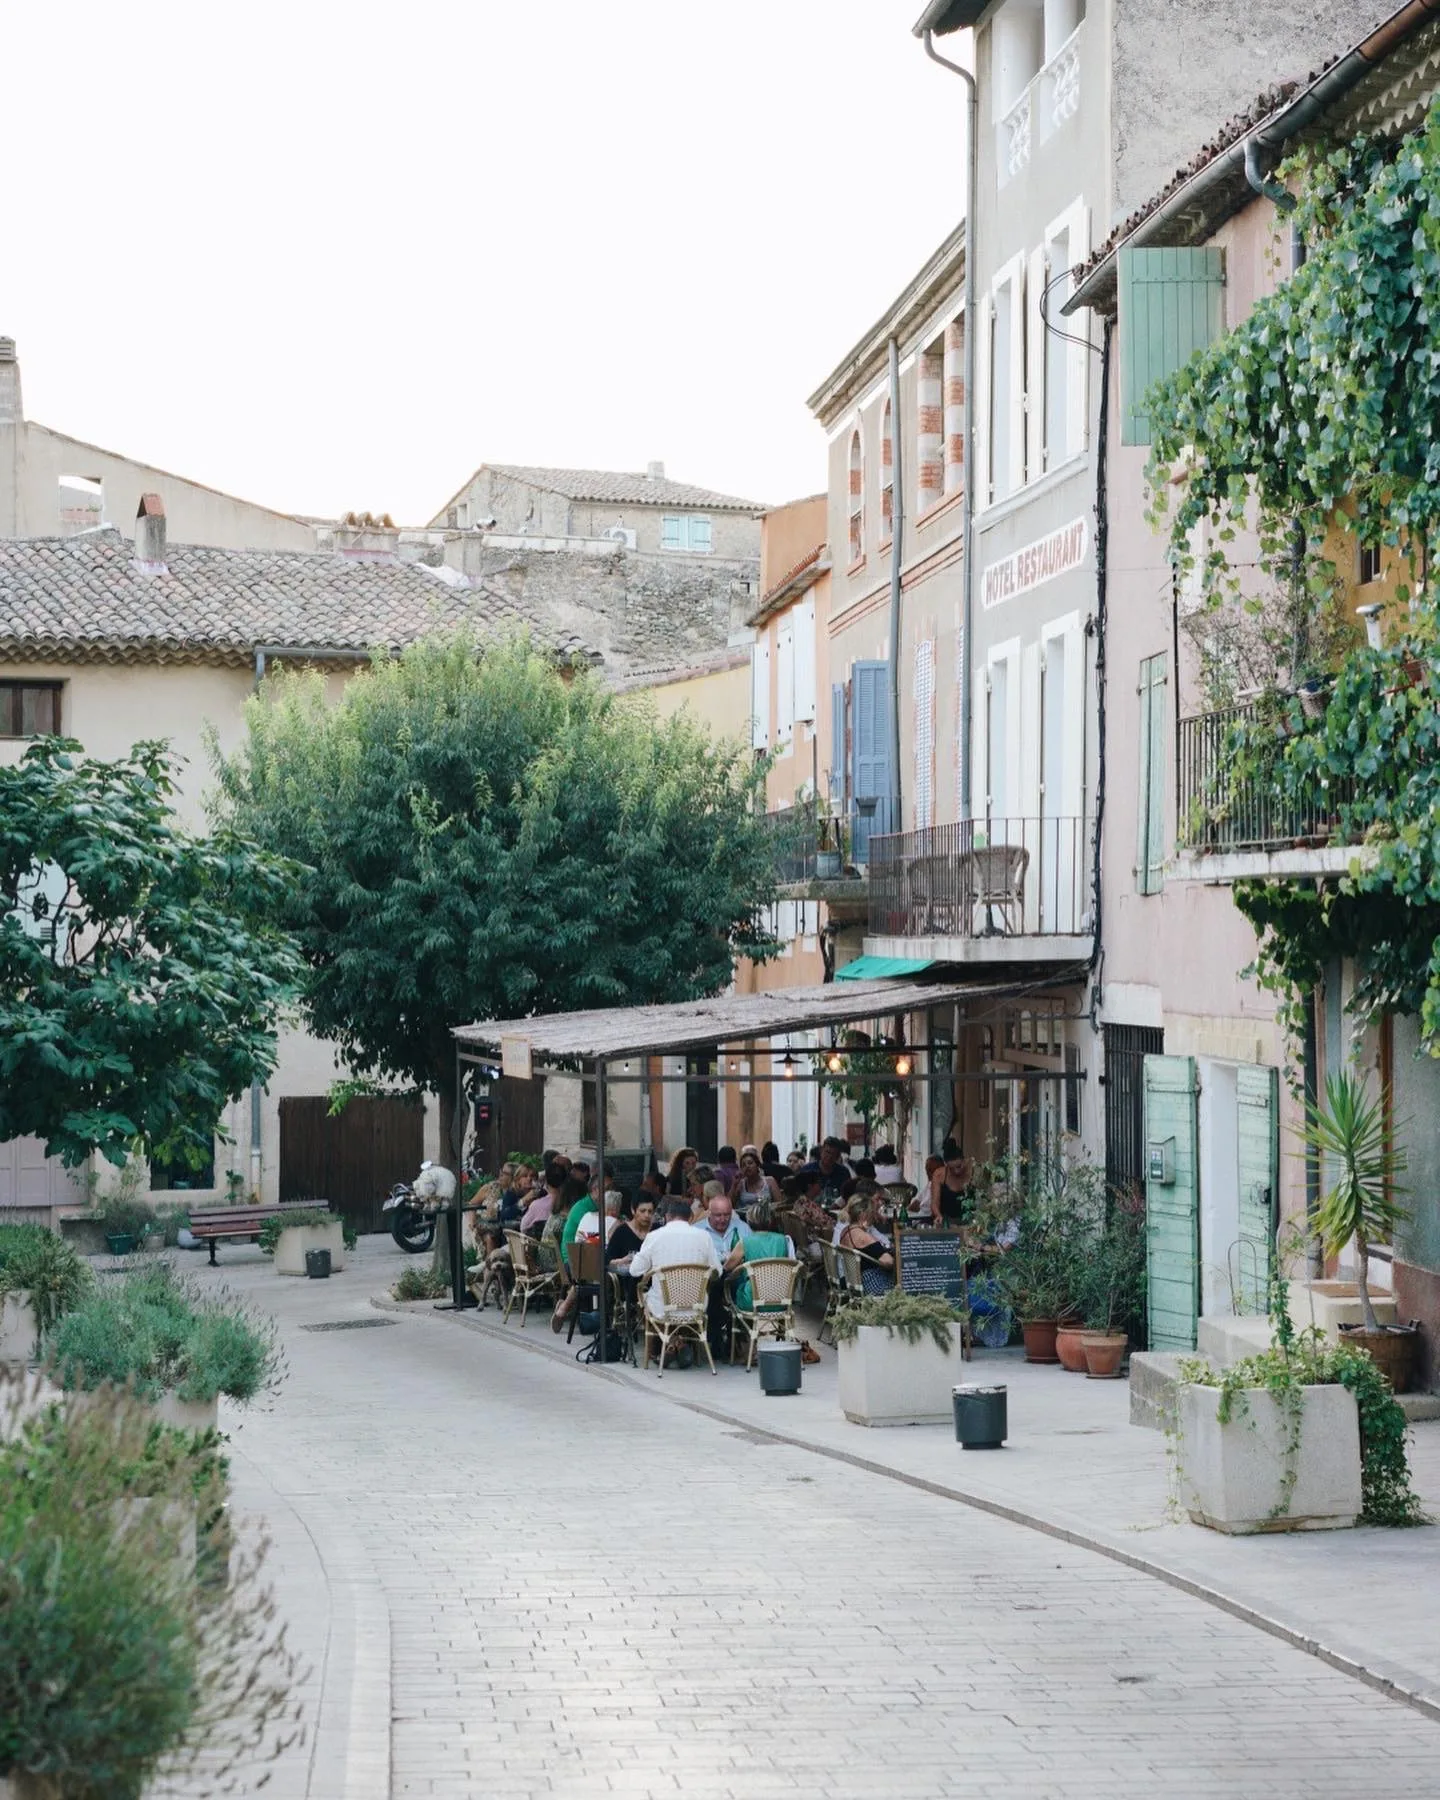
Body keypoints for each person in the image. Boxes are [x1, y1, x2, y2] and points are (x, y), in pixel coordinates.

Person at [627, 1197, 722, 1322]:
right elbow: (717, 1272)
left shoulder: (654, 1236)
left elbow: (634, 1270)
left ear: (667, 1217)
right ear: (691, 1217)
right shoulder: (704, 1237)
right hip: (695, 1309)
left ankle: (657, 1340)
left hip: (662, 1310)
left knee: (646, 1296)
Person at [732, 1195, 796, 1312]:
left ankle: (741, 1326)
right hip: (781, 1299)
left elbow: (728, 1267)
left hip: (752, 1301)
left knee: (733, 1282)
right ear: (770, 1221)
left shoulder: (745, 1242)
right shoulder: (784, 1240)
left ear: (749, 1221)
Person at [838, 1195, 895, 1294]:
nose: (873, 1216)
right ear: (863, 1215)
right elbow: (889, 1262)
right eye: (872, 1213)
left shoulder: (845, 1231)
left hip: (853, 1280)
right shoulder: (864, 1237)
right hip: (872, 1283)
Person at [929, 1150, 975, 1229]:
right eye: (951, 1169)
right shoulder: (939, 1174)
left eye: (959, 1166)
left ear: (964, 1161)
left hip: (970, 1222)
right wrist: (939, 1216)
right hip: (947, 1222)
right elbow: (934, 1203)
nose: (956, 1171)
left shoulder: (973, 1173)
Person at [730, 1144, 782, 1214]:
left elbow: (779, 1205)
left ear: (757, 1165)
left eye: (750, 1163)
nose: (747, 1166)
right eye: (743, 1165)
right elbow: (729, 1205)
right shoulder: (740, 1184)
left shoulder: (770, 1181)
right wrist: (734, 1184)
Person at [608, 1194, 656, 1266]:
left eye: (650, 1211)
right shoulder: (621, 1232)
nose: (647, 1215)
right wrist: (621, 1261)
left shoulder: (657, 1230)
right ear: (633, 1210)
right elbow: (608, 1260)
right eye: (642, 1211)